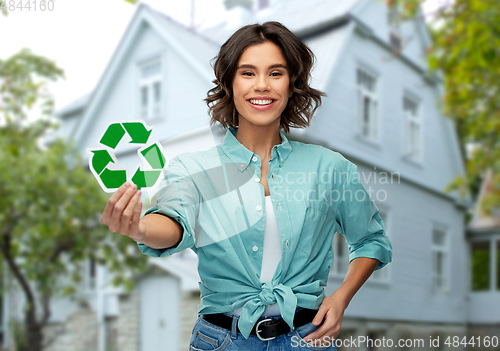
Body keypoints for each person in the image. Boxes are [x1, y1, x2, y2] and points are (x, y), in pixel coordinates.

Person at [101, 21, 392, 351]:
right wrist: (138, 226)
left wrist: (341, 298)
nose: (262, 86)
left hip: (308, 339)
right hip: (221, 340)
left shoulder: (329, 167)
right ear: (230, 83)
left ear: (292, 83)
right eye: (248, 73)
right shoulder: (192, 168)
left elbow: (371, 240)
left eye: (276, 73)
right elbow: (173, 222)